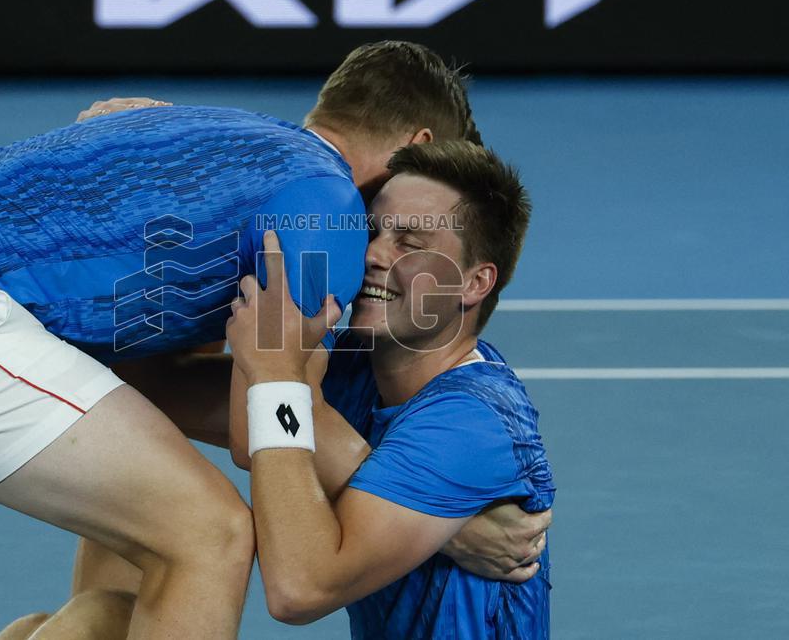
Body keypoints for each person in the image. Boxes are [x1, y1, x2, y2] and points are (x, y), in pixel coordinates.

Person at [0, 42, 513, 639]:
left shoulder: (226, 140)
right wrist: (432, 513)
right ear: (418, 145)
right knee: (210, 535)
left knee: (125, 595)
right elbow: (259, 424)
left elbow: (158, 379)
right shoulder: (323, 213)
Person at [224, 140, 554, 638]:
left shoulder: (471, 422)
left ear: (474, 282)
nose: (375, 254)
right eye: (372, 231)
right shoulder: (360, 367)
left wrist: (276, 377)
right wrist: (451, 530)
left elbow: (299, 589)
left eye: (410, 243)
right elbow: (243, 433)